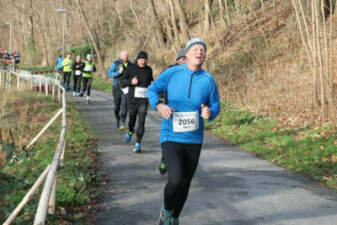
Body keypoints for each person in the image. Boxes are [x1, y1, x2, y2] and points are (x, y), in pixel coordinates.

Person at [147, 38, 220, 225]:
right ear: (186, 54)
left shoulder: (208, 79)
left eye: (202, 49)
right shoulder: (172, 73)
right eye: (196, 49)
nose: (200, 52)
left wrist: (209, 112)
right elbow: (152, 89)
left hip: (194, 139)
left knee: (186, 182)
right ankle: (166, 211)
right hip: (171, 135)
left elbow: (215, 104)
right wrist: (158, 104)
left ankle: (175, 217)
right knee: (176, 179)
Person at [158, 48, 186, 175]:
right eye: (185, 59)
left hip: (187, 111)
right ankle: (165, 159)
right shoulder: (170, 71)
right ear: (180, 59)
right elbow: (158, 86)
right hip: (172, 110)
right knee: (170, 139)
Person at [121, 51, 153, 153]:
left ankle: (138, 143)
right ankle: (131, 131)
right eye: (141, 60)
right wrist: (131, 82)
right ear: (137, 60)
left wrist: (152, 84)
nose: (142, 62)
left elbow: (151, 80)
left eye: (144, 60)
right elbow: (122, 81)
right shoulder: (131, 68)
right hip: (132, 100)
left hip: (143, 100)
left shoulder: (149, 70)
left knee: (142, 121)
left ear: (146, 60)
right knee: (132, 120)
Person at [107, 50, 132, 130]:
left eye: (127, 56)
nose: (126, 57)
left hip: (126, 87)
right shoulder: (115, 63)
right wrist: (118, 72)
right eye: (125, 56)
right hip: (116, 87)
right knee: (117, 107)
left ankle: (122, 122)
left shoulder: (130, 64)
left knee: (125, 105)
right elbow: (109, 74)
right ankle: (117, 119)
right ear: (120, 56)